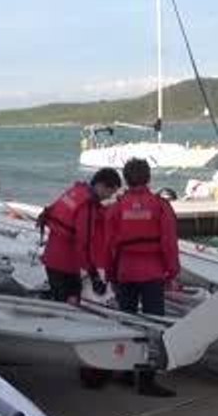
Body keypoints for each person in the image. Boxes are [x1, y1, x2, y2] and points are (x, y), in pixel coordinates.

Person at [104, 158, 179, 398]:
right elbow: (169, 242)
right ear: (148, 178)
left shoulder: (116, 208)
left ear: (125, 179)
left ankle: (125, 371)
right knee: (154, 325)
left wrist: (110, 274)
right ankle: (146, 380)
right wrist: (173, 271)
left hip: (125, 271)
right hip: (152, 272)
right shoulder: (160, 206)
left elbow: (109, 246)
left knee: (125, 321)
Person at [38, 168, 121, 303]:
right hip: (65, 265)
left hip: (52, 258)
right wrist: (94, 276)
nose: (109, 197)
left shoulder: (77, 191)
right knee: (70, 304)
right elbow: (84, 243)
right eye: (110, 192)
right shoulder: (87, 206)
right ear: (101, 185)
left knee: (61, 298)